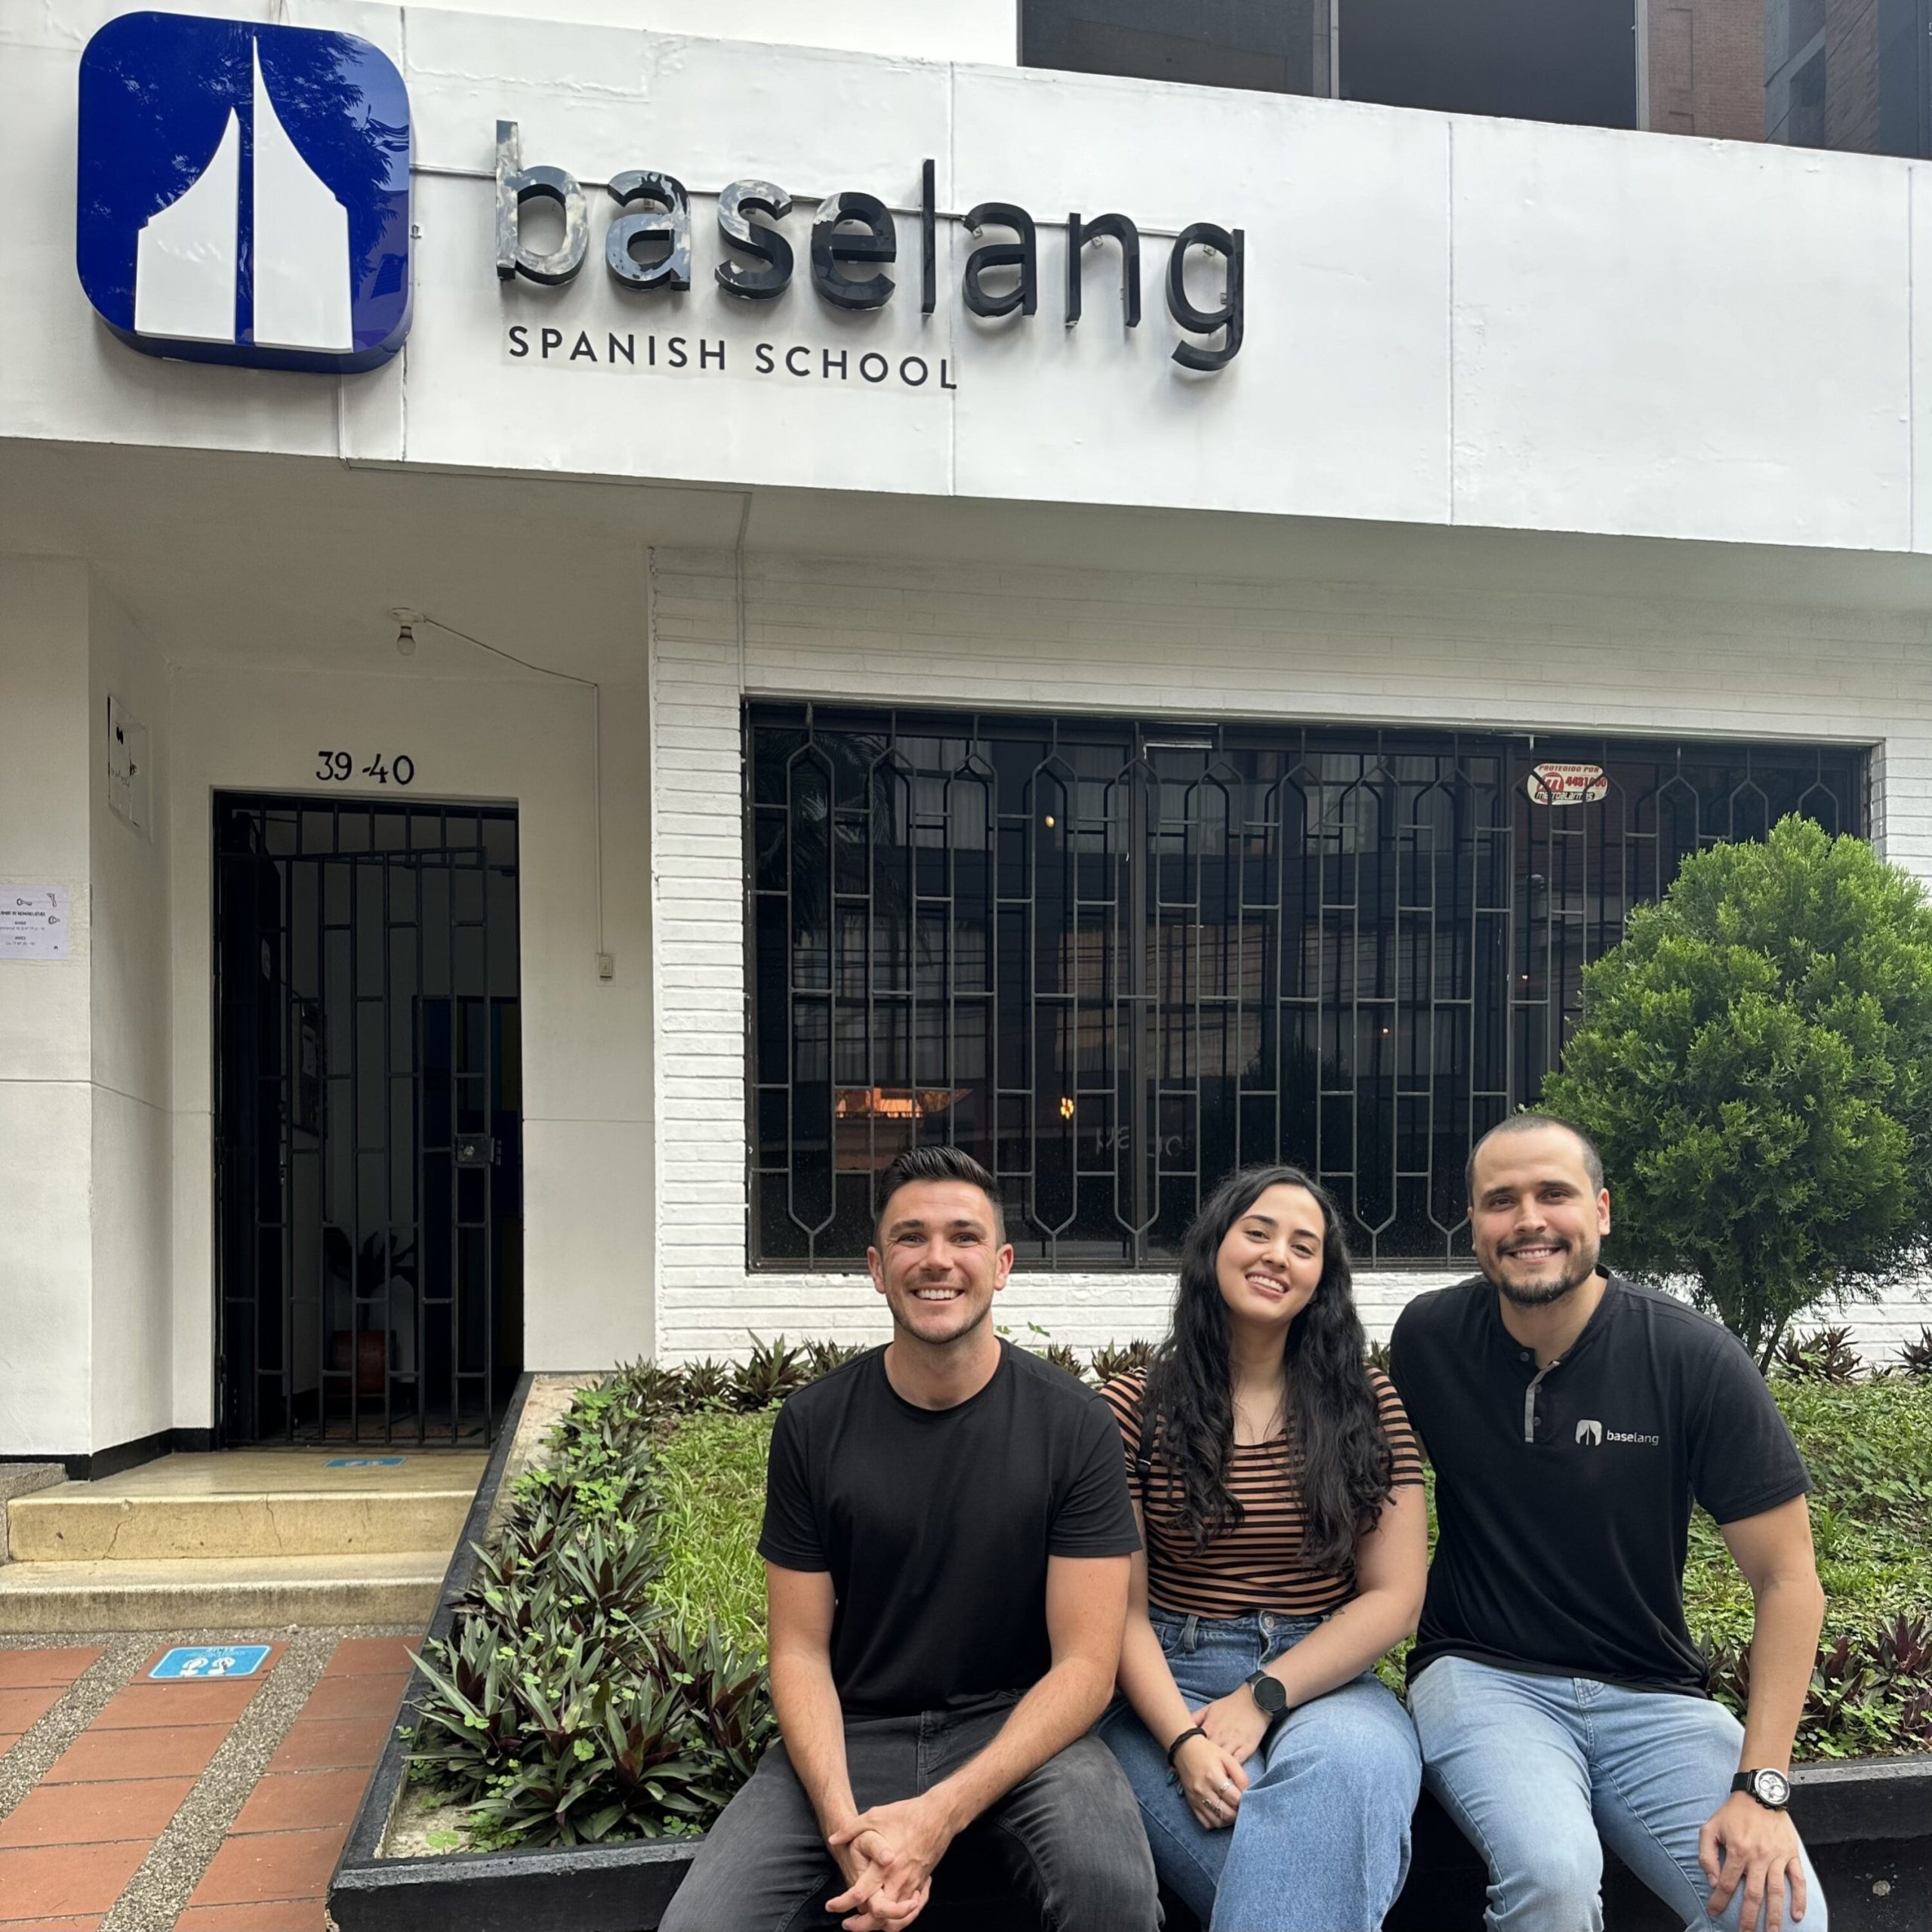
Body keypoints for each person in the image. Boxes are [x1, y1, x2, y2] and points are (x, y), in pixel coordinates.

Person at [658, 1145, 1158, 1932]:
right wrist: (842, 1825)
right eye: (910, 1237)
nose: (937, 1260)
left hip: (1022, 1733)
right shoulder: (814, 1424)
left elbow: (1088, 1668)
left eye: (963, 1237)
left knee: (1114, 1893)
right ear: (876, 1266)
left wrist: (939, 1815)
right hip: (853, 1733)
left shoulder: (1074, 1425)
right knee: (703, 1924)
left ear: (1001, 1266)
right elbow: (796, 1650)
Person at [1390, 1114, 1829, 1932]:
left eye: (1553, 1194)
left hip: (1655, 1695)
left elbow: (1789, 1579)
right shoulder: (1430, 1338)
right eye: (1500, 1200)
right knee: (1552, 1883)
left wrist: (1762, 1786)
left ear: (1601, 1210)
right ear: (1475, 1225)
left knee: (1781, 1919)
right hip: (1484, 1675)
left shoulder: (1691, 1357)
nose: (1528, 1221)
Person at [1097, 1163, 1429, 1932]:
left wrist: (1263, 1694)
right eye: (1259, 1232)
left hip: (1326, 1675)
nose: (1279, 1254)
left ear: (1323, 1278)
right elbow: (1116, 1611)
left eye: (1304, 1245)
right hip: (1163, 1685)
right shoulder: (1131, 1407)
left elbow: (1395, 1595)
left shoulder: (1367, 1405)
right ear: (1215, 1247)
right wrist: (1181, 1740)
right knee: (1298, 1878)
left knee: (1345, 1778)